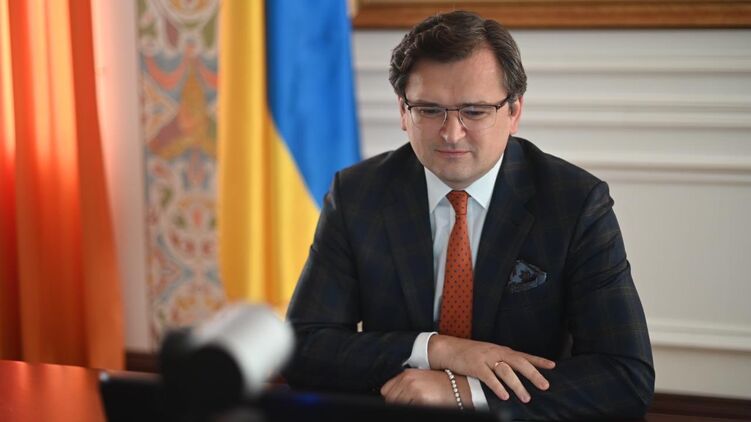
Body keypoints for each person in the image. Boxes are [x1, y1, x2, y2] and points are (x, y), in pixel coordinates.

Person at [284, 10, 654, 420]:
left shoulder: (575, 203)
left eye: (475, 111)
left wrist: (465, 393)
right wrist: (437, 349)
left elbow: (625, 377)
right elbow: (301, 348)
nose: (451, 133)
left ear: (514, 112)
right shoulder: (358, 195)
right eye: (429, 110)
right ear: (403, 112)